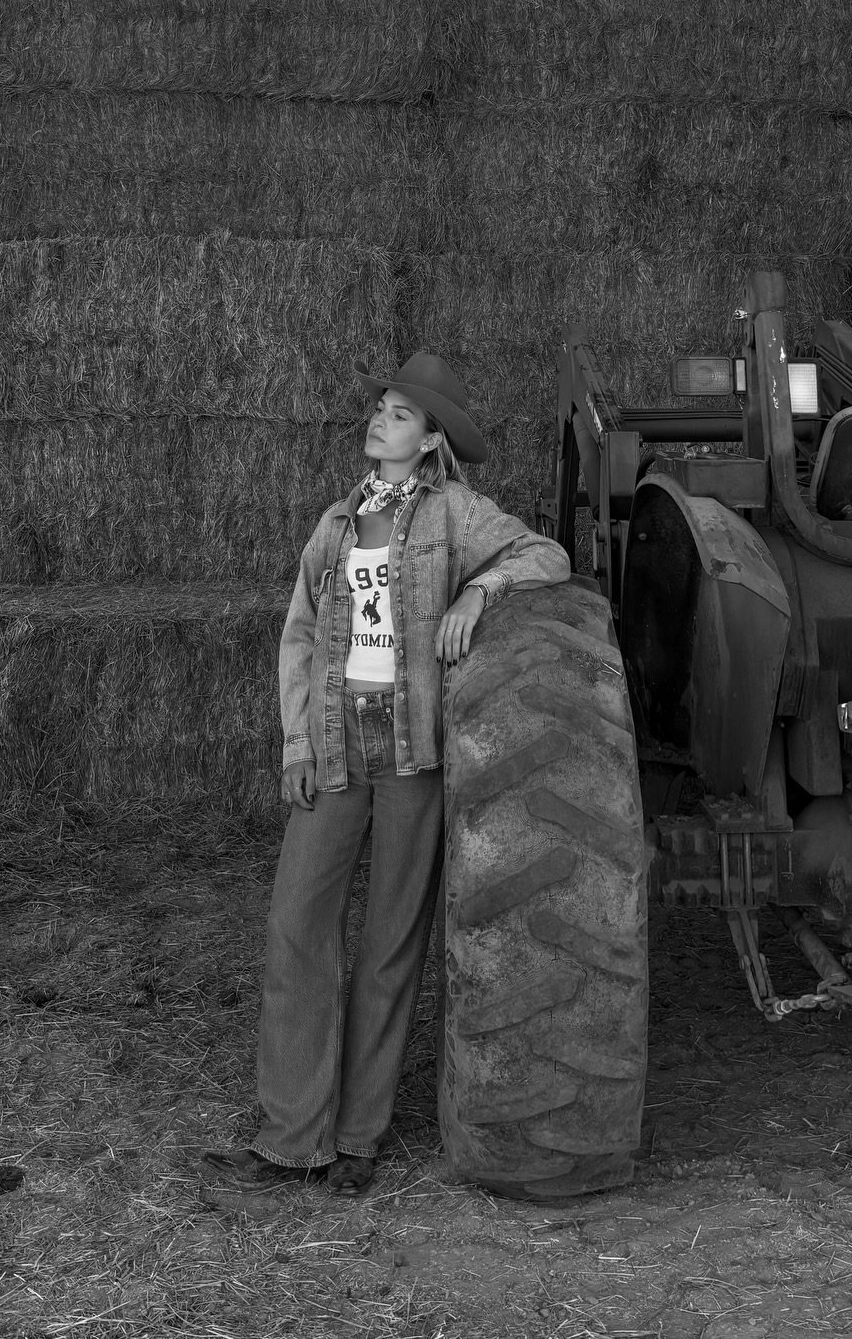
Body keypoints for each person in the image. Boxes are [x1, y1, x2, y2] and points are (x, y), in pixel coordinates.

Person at [204, 351, 570, 1196]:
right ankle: (291, 1137)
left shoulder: (456, 515)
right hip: (338, 743)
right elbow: (299, 636)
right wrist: (298, 744)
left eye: (401, 414)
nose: (381, 420)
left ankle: (360, 1136)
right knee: (296, 927)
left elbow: (544, 555)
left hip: (411, 750)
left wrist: (480, 594)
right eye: (379, 408)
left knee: (389, 944)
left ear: (431, 438)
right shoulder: (336, 523)